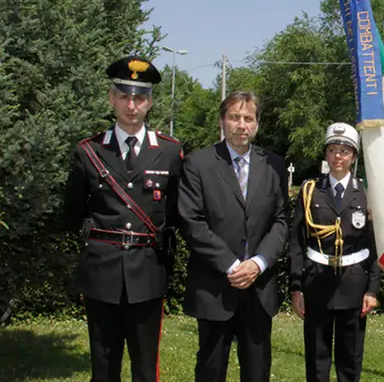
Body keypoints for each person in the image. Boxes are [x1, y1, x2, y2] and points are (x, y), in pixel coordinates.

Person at [63, 56, 183, 382]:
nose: (132, 106)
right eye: (124, 96)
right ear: (111, 98)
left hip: (147, 272)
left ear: (150, 102)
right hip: (101, 274)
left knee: (146, 366)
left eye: (140, 98)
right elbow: (71, 212)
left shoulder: (171, 152)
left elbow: (176, 214)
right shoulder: (89, 151)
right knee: (104, 364)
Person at [178, 91, 290, 382]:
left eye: (248, 118)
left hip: (259, 289)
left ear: (257, 124)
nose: (242, 124)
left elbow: (280, 221)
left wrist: (259, 263)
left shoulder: (274, 165)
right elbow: (192, 222)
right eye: (235, 117)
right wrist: (231, 265)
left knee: (257, 371)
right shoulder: (198, 164)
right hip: (215, 287)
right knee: (211, 369)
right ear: (222, 121)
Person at [289, 122, 381, 382]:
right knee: (317, 359)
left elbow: (375, 244)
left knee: (349, 360)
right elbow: (297, 242)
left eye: (345, 151)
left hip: (354, 285)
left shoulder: (366, 193)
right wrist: (297, 286)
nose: (338, 156)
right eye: (333, 150)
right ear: (326, 154)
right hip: (317, 282)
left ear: (353, 156)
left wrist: (372, 289)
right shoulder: (310, 191)